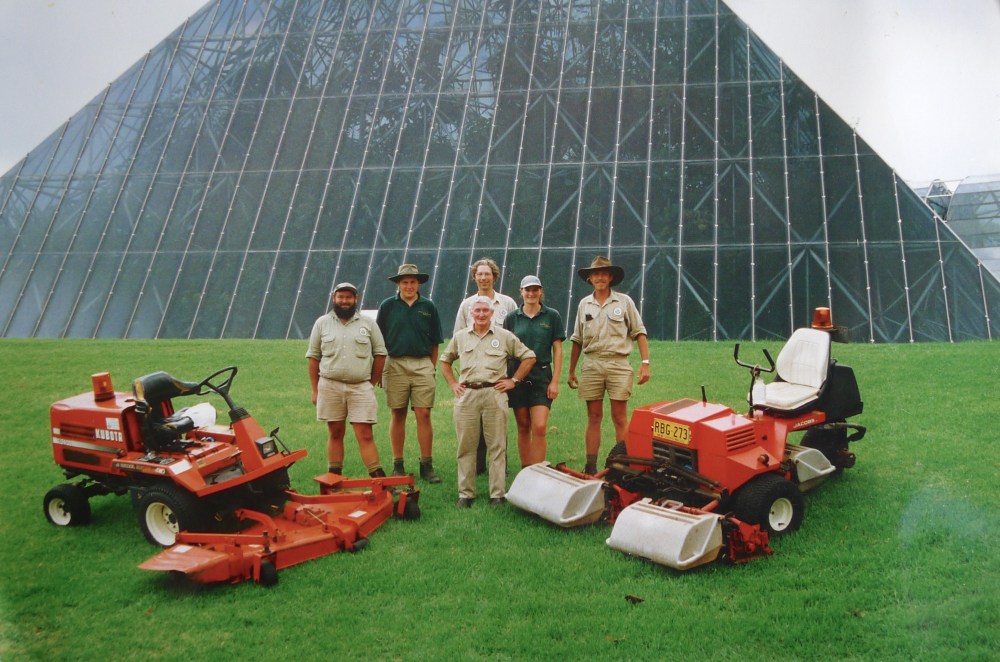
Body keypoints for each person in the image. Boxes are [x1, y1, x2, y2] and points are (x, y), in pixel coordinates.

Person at [440, 296, 536, 508]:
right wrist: (453, 384)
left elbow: (529, 356)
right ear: (471, 313)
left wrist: (513, 380)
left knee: (497, 445)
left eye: (486, 310)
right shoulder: (461, 337)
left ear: (492, 313)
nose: (482, 314)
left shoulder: (504, 336)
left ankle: (497, 494)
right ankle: (466, 494)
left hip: (494, 394)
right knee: (466, 446)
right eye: (478, 311)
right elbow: (445, 360)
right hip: (467, 396)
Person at [567, 256, 650, 475]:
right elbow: (577, 339)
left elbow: (639, 332)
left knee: (619, 416)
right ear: (590, 278)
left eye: (604, 273)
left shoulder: (624, 302)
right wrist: (571, 370)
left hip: (618, 364)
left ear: (610, 277)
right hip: (592, 364)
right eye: (596, 274)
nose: (600, 277)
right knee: (593, 416)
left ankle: (622, 465)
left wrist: (645, 364)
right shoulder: (584, 304)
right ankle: (590, 465)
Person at [306, 282, 388, 478]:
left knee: (365, 434)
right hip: (329, 386)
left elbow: (380, 354)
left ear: (355, 299)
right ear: (334, 298)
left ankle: (379, 480)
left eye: (348, 297)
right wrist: (315, 390)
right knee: (335, 432)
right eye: (340, 297)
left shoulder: (368, 324)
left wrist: (371, 383)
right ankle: (334, 478)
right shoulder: (322, 323)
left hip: (360, 387)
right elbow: (313, 357)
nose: (344, 301)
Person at [376, 263, 445, 484]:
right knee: (398, 413)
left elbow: (436, 341)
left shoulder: (428, 306)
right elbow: (378, 341)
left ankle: (426, 465)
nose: (409, 286)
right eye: (404, 282)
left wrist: (431, 367)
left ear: (419, 283)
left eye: (413, 282)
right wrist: (379, 370)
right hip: (394, 364)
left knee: (424, 414)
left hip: (423, 364)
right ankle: (398, 465)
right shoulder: (387, 306)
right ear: (398, 283)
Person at [453, 257, 518, 474]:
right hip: (473, 372)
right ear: (474, 277)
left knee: (498, 419)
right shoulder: (466, 305)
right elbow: (458, 338)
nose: (483, 277)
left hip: (500, 371)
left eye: (487, 274)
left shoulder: (507, 304)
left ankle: (501, 465)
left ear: (494, 276)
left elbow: (513, 338)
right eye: (479, 274)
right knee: (475, 422)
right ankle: (479, 465)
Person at [502, 275, 564, 467]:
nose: (531, 293)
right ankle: (526, 469)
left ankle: (539, 470)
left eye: (535, 290)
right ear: (521, 292)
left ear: (541, 291)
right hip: (517, 374)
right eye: (527, 290)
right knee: (523, 426)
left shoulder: (552, 316)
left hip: (541, 375)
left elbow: (558, 349)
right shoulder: (512, 318)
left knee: (539, 426)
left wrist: (555, 381)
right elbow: (505, 349)